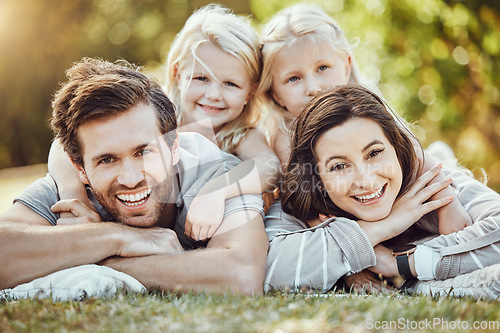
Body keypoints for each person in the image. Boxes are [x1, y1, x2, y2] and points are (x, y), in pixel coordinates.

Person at [0, 58, 269, 296]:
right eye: (107, 160)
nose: (130, 179)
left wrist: (97, 259)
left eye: (144, 152)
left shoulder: (216, 175)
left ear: (174, 147)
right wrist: (117, 237)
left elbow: (241, 275)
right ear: (80, 168)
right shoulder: (71, 192)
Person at [48, 4, 280, 242]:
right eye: (201, 78)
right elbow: (64, 146)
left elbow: (269, 167)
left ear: (250, 92)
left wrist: (217, 191)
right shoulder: (154, 118)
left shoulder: (241, 134)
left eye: (231, 84)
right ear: (178, 74)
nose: (213, 94)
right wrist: (75, 196)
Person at [256, 3, 471, 236]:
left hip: (385, 191)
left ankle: (443, 155)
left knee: (436, 158)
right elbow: (307, 206)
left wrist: (448, 204)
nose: (313, 87)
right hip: (350, 215)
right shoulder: (284, 136)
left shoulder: (364, 108)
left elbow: (414, 150)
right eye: (293, 78)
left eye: (322, 68)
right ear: (275, 94)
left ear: (347, 64)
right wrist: (366, 254)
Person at [265, 85, 500, 299]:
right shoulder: (300, 200)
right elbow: (274, 273)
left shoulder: (428, 183)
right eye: (339, 166)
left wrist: (397, 264)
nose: (366, 181)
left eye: (374, 153)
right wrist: (374, 231)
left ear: (396, 148)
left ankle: (440, 152)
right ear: (317, 177)